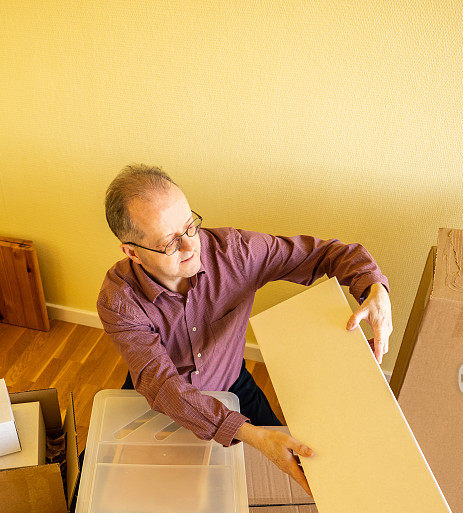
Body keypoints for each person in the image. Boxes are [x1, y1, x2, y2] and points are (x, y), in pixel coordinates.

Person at [96, 165, 392, 495]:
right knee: (98, 480)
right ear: (132, 252)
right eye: (169, 243)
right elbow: (164, 387)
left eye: (190, 226)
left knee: (297, 462)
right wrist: (247, 433)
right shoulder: (118, 300)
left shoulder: (236, 254)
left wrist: (374, 288)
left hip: (232, 382)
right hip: (155, 397)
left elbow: (330, 254)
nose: (191, 246)